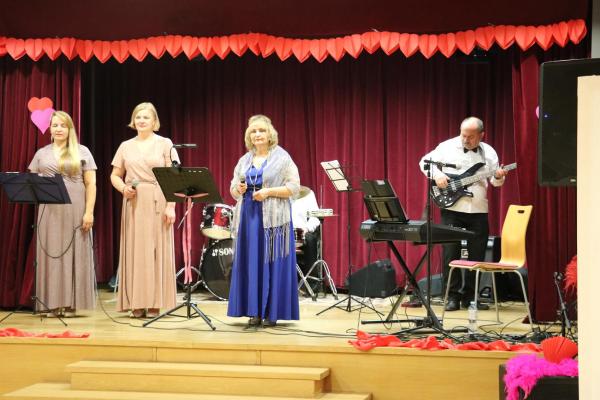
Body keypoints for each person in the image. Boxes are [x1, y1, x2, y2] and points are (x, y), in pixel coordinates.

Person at [419, 116, 508, 311]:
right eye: (463, 135)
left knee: (476, 255)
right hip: (452, 209)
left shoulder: (489, 152)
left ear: (481, 135)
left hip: (478, 210)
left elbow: (495, 182)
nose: (466, 140)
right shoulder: (447, 146)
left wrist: (499, 177)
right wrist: (438, 175)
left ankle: (471, 297)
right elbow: (424, 162)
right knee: (451, 254)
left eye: (471, 136)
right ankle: (451, 297)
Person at [227, 114, 300, 328]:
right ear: (249, 136)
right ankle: (253, 311)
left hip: (274, 221)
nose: (257, 134)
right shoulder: (244, 160)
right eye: (253, 131)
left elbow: (294, 187)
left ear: (270, 134)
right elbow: (233, 189)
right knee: (251, 263)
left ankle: (271, 312)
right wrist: (238, 189)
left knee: (272, 262)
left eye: (261, 130)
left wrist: (268, 192)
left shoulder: (283, 158)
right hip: (248, 218)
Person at [110, 102, 178, 318]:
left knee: (156, 251)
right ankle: (136, 302)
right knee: (136, 252)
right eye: (138, 117)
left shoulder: (165, 143)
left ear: (154, 121)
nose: (141, 120)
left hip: (158, 199)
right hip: (134, 202)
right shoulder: (125, 146)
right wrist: (123, 188)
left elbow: (175, 176)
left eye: (146, 117)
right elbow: (115, 175)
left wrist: (171, 206)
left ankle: (156, 302)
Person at [28, 110, 97, 317]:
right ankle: (52, 302)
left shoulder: (82, 151)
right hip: (49, 210)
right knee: (51, 254)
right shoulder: (41, 153)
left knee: (75, 252)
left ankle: (70, 304)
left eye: (63, 125)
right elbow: (32, 182)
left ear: (70, 129)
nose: (59, 129)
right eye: (55, 125)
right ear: (49, 128)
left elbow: (91, 184)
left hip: (75, 207)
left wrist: (89, 212)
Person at [291, 187, 321, 293]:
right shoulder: (277, 191)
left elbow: (315, 216)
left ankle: (311, 283)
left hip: (301, 231)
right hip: (281, 232)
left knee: (310, 239)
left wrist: (307, 228)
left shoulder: (307, 193)